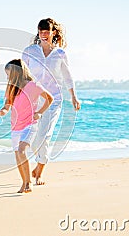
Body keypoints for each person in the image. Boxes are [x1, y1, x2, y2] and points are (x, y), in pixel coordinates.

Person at [22, 18, 80, 185]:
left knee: (44, 135)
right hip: (33, 100)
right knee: (32, 138)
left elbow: (68, 77)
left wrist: (74, 97)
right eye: (41, 31)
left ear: (53, 32)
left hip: (53, 101)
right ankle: (40, 161)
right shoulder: (29, 51)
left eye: (47, 31)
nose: (43, 35)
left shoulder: (60, 54)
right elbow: (21, 74)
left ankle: (39, 171)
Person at [0, 59, 53, 193]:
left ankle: (29, 182)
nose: (8, 77)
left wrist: (40, 113)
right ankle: (24, 182)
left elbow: (49, 98)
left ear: (17, 73)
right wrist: (0, 113)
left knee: (21, 151)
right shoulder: (11, 88)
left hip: (30, 124)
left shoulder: (33, 85)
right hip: (15, 127)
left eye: (9, 74)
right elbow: (6, 107)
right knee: (18, 156)